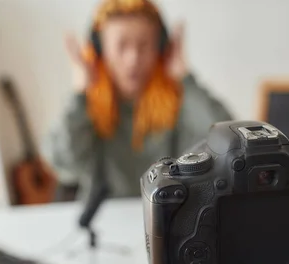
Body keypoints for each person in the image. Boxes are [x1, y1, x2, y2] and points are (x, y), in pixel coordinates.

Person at [43, 0, 233, 200]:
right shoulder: (87, 107)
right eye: (121, 45)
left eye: (144, 45)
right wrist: (80, 93)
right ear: (100, 49)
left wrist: (185, 78)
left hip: (167, 215)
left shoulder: (178, 102)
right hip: (106, 219)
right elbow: (62, 162)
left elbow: (225, 142)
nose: (133, 58)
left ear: (160, 49)